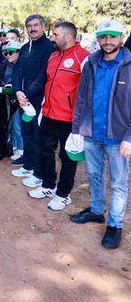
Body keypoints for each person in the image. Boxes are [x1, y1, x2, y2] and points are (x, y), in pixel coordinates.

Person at [70, 18, 131, 249]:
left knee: (118, 184)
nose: (107, 41)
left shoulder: (128, 64)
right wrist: (77, 129)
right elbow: (82, 97)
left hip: (118, 137)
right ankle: (96, 210)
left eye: (112, 36)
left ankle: (115, 226)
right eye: (103, 37)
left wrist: (129, 137)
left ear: (121, 38)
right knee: (94, 175)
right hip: (91, 132)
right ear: (98, 39)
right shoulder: (91, 63)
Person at [26, 22, 89, 210]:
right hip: (48, 114)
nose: (52, 37)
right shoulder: (53, 56)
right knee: (45, 152)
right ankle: (48, 185)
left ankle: (63, 194)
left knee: (67, 157)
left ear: (68, 36)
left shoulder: (84, 57)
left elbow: (88, 92)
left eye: (55, 34)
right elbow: (45, 81)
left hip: (69, 119)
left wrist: (81, 122)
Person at [11, 14, 54, 180]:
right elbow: (17, 70)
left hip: (38, 100)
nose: (33, 29)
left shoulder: (49, 47)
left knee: (38, 136)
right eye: (29, 26)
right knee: (26, 133)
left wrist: (26, 94)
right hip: (23, 101)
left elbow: (43, 75)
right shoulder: (24, 47)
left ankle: (38, 171)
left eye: (36, 25)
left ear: (43, 26)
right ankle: (28, 165)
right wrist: (17, 91)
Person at [0, 41, 22, 160]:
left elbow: (21, 85)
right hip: (5, 100)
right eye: (6, 52)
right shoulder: (3, 64)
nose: (8, 55)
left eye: (11, 52)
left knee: (17, 126)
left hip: (19, 101)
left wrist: (5, 90)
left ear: (19, 52)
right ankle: (11, 148)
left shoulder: (22, 66)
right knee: (9, 126)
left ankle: (21, 150)